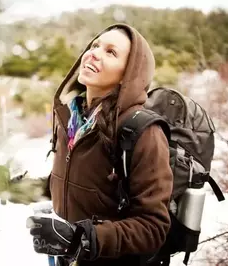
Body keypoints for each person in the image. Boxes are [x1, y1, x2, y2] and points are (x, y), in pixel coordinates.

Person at [26, 23, 174, 266]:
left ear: (129, 74)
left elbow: (153, 228)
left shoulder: (143, 131)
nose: (93, 53)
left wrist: (80, 239)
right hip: (68, 259)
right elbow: (75, 183)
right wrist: (14, 187)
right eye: (95, 45)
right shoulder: (72, 119)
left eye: (111, 52)